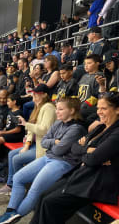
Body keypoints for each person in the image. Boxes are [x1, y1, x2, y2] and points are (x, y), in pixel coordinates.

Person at [0, 97, 87, 223]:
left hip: (62, 163)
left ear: (72, 111)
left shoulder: (76, 128)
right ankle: (9, 214)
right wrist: (54, 141)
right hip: (48, 157)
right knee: (18, 178)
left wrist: (53, 144)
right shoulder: (57, 123)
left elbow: (58, 151)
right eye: (57, 108)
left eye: (61, 109)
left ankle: (12, 217)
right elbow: (44, 142)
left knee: (35, 190)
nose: (57, 112)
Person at [31, 92, 119, 224]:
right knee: (43, 196)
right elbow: (74, 148)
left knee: (50, 203)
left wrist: (88, 153)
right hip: (83, 173)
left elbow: (93, 159)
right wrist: (88, 151)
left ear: (117, 109)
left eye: (104, 108)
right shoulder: (101, 127)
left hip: (97, 182)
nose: (99, 112)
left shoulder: (117, 132)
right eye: (98, 108)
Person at [0, 84, 56, 196]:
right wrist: (27, 144)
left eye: (37, 94)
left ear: (45, 95)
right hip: (33, 144)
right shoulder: (38, 107)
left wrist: (26, 124)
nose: (34, 96)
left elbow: (44, 130)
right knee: (12, 154)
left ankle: (18, 187)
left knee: (17, 159)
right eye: (34, 93)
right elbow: (31, 130)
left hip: (43, 147)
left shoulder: (48, 108)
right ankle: (10, 185)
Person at [0, 94, 25, 164]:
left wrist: (4, 133)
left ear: (14, 102)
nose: (7, 103)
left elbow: (18, 129)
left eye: (8, 101)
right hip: (8, 133)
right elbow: (8, 125)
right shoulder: (10, 111)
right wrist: (3, 131)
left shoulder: (18, 113)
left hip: (16, 135)